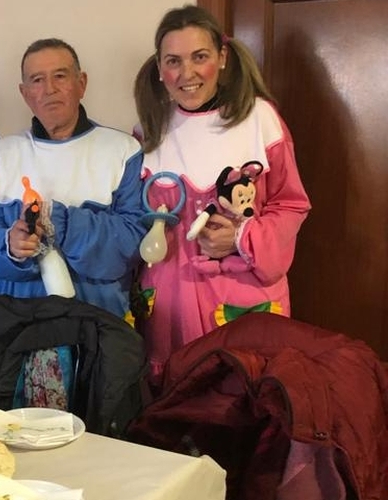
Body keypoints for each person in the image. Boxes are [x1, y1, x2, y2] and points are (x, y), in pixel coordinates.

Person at [133, 5, 311, 387]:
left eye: (200, 57)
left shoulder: (259, 120)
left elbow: (291, 203)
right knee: (174, 418)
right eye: (173, 61)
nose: (187, 74)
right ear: (160, 69)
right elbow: (131, 217)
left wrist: (242, 239)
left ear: (223, 57)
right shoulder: (147, 131)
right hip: (169, 311)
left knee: (241, 407)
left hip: (242, 302)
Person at [0, 38, 146, 410]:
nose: (49, 89)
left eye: (60, 76)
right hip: (17, 332)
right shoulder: (0, 156)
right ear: (23, 92)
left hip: (96, 330)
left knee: (94, 443)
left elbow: (132, 240)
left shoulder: (122, 151)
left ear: (81, 83)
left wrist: (63, 224)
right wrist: (10, 246)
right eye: (36, 80)